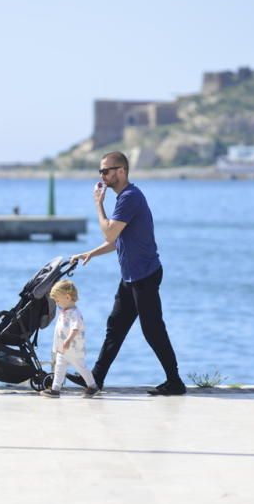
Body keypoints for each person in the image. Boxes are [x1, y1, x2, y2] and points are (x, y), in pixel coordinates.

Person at [69, 151, 186, 395]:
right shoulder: (125, 198)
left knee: (153, 330)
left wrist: (98, 205)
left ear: (121, 171)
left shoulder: (129, 197)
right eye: (100, 171)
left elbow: (109, 233)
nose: (102, 176)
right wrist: (91, 253)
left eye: (106, 171)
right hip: (131, 277)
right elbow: (117, 241)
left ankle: (175, 381)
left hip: (144, 275)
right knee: (116, 326)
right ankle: (96, 378)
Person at [40, 279, 99, 398]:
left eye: (57, 300)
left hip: (73, 349)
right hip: (63, 349)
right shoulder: (64, 311)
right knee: (59, 368)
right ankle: (55, 389)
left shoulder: (74, 313)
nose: (56, 303)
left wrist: (68, 340)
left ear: (67, 297)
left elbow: (75, 328)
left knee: (82, 368)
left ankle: (93, 386)